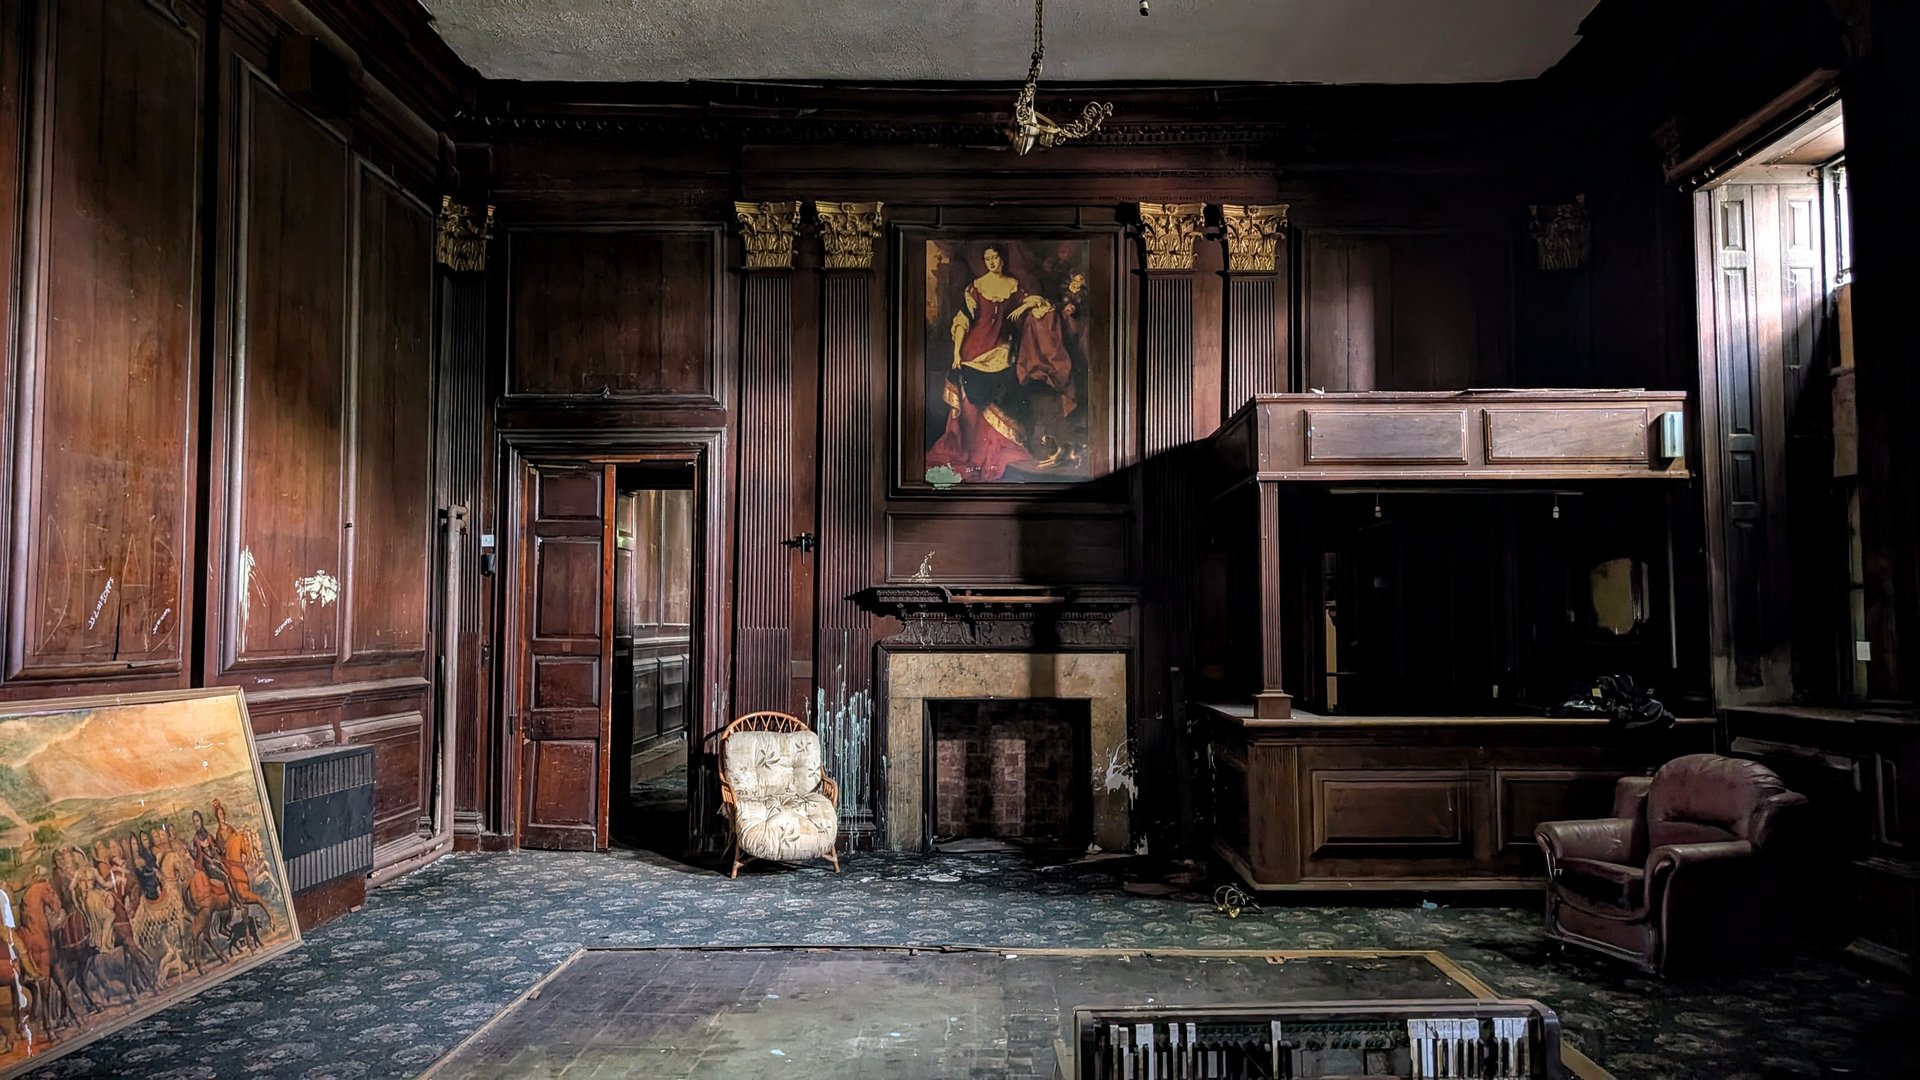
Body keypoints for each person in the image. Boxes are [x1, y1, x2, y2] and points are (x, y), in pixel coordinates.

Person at [926, 246, 1079, 482]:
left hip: (1002, 348)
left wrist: (1023, 306)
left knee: (1004, 391)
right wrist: (957, 353)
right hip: (973, 349)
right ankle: (972, 450)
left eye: (995, 257)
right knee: (969, 400)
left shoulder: (1013, 286)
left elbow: (1041, 305)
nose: (991, 262)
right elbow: (963, 321)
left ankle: (996, 448)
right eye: (987, 258)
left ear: (1001, 259)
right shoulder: (976, 287)